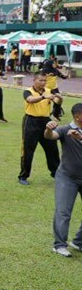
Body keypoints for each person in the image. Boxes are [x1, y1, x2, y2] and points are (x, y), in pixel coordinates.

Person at [44, 104, 82, 256]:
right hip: (67, 177)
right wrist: (48, 128)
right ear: (78, 116)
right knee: (63, 211)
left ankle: (78, 242)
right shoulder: (65, 130)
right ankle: (59, 245)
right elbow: (50, 136)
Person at [19, 73, 62, 186]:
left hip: (46, 121)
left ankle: (56, 173)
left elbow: (57, 103)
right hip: (31, 121)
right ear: (34, 80)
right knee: (28, 149)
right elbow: (30, 100)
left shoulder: (49, 91)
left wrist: (59, 99)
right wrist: (43, 97)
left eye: (44, 81)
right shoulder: (28, 91)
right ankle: (23, 175)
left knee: (52, 148)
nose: (43, 83)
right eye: (40, 80)